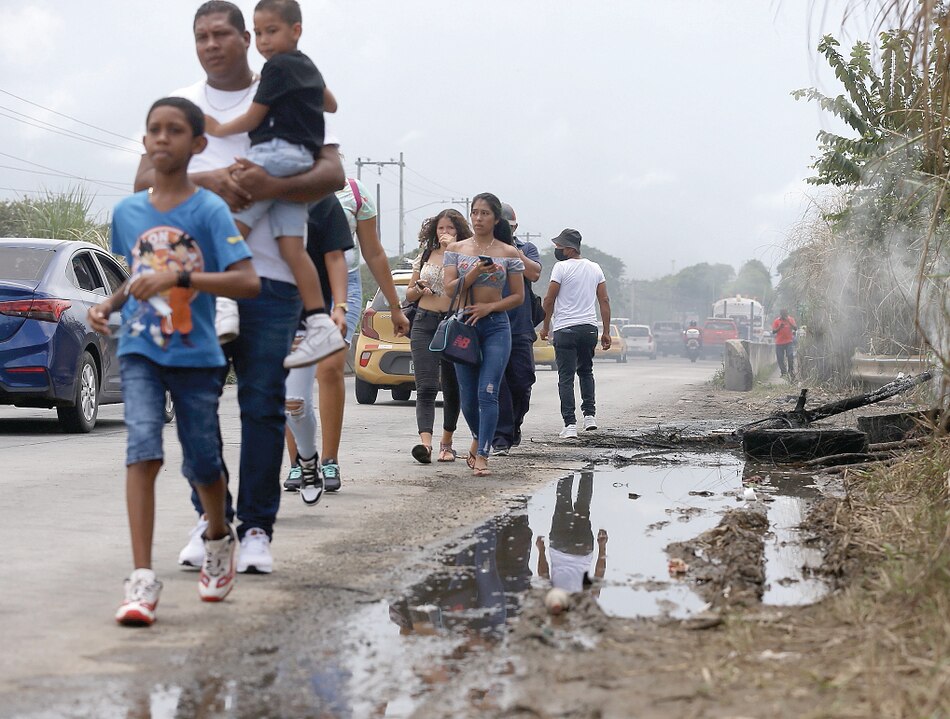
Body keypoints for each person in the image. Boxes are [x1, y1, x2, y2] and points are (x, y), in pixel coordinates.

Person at [134, 1, 346, 575]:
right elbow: (143, 178)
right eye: (201, 35)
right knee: (196, 409)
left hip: (273, 282)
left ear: (248, 39)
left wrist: (269, 181)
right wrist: (212, 181)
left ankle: (256, 531)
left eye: (222, 33)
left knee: (262, 408)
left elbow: (332, 172)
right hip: (195, 286)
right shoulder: (183, 106)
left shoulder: (290, 83)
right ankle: (211, 522)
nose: (211, 44)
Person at [90, 97, 261, 625]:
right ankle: (141, 578)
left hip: (197, 352)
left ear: (197, 144)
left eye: (173, 130)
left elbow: (247, 281)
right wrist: (110, 303)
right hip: (141, 348)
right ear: (144, 142)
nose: (162, 138)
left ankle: (217, 535)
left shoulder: (208, 211)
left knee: (201, 461)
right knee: (143, 449)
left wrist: (180, 278)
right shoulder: (127, 212)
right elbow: (137, 277)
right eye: (153, 130)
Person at [203, 0, 343, 370]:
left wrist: (217, 128)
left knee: (231, 225)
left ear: (295, 30)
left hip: (275, 153)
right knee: (292, 247)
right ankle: (319, 322)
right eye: (260, 32)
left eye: (272, 31)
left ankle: (224, 302)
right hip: (301, 159)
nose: (264, 41)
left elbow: (253, 117)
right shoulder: (306, 64)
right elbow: (330, 104)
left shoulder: (276, 67)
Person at [282, 174, 410, 491]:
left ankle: (329, 459)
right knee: (293, 372)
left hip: (343, 288)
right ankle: (298, 461)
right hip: (292, 287)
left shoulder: (354, 194)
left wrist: (395, 305)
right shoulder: (282, 186)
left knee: (329, 366)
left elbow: (374, 252)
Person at [442, 193, 525, 477]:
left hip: (496, 327)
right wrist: (477, 269)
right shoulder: (456, 249)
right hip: (465, 327)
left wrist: (491, 306)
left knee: (488, 391)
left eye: (485, 214)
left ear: (496, 219)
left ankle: (483, 454)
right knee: (467, 397)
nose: (478, 218)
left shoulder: (509, 253)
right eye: (474, 213)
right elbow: (450, 289)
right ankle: (478, 436)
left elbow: (517, 296)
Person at [282, 194, 352, 504]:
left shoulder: (322, 202)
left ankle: (313, 459)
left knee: (295, 401)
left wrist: (339, 305)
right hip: (262, 315)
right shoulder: (252, 196)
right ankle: (298, 464)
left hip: (306, 316)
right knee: (272, 403)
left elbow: (335, 256)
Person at [405, 209, 470, 464]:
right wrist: (418, 288)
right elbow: (409, 295)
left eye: (450, 229)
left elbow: (467, 286)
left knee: (452, 386)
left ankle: (447, 443)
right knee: (426, 386)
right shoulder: (425, 256)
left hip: (453, 324)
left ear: (459, 232)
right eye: (441, 229)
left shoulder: (465, 256)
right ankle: (425, 444)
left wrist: (453, 250)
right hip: (424, 322)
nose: (444, 233)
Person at [539, 229, 611, 439]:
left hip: (565, 329)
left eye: (559, 247)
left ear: (570, 249)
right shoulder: (595, 268)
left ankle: (570, 425)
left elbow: (549, 299)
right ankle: (590, 416)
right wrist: (605, 331)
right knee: (586, 371)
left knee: (566, 377)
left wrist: (545, 327)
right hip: (589, 328)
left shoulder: (560, 268)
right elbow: (604, 301)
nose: (557, 250)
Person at [491, 202, 542, 455]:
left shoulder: (526, 248)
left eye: (507, 227)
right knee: (498, 383)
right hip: (492, 327)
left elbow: (534, 274)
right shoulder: (483, 250)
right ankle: (501, 437)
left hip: (520, 326)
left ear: (515, 227)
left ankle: (514, 424)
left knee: (522, 381)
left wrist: (512, 251)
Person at [772, 308, 798, 379]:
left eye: (785, 314)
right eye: (783, 315)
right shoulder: (777, 321)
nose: (784, 316)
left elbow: (795, 328)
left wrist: (789, 322)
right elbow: (773, 331)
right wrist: (779, 327)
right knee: (780, 358)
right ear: (781, 314)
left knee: (790, 356)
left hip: (788, 342)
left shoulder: (791, 319)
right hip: (779, 343)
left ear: (787, 314)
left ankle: (790, 370)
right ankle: (783, 372)